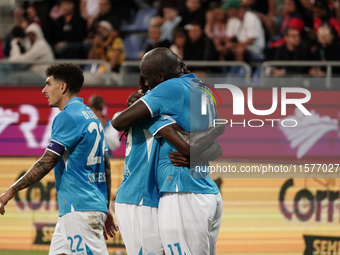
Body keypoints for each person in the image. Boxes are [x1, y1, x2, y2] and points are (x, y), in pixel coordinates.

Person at [112, 48, 223, 255]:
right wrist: (214, 132)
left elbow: (118, 121)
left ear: (160, 78)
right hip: (198, 190)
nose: (146, 86)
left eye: (147, 80)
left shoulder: (166, 92)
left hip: (180, 191)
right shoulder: (202, 89)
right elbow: (215, 147)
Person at [0, 63, 118, 254]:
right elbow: (106, 165)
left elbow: (47, 161)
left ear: (62, 87)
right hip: (82, 207)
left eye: (48, 84)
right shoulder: (91, 117)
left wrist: (11, 190)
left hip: (79, 209)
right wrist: (103, 207)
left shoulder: (67, 117)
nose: (44, 89)